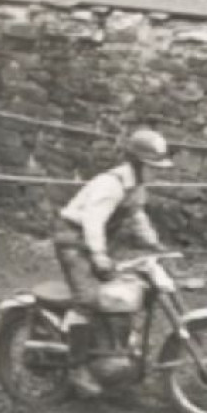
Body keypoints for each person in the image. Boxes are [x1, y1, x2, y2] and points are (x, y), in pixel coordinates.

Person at [54, 128, 174, 397]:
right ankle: (77, 368)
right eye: (152, 166)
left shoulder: (136, 187)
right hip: (73, 239)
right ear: (136, 163)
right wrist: (98, 255)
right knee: (86, 299)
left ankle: (113, 357)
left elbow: (137, 215)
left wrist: (155, 243)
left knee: (124, 292)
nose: (156, 172)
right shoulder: (111, 184)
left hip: (98, 242)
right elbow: (93, 220)